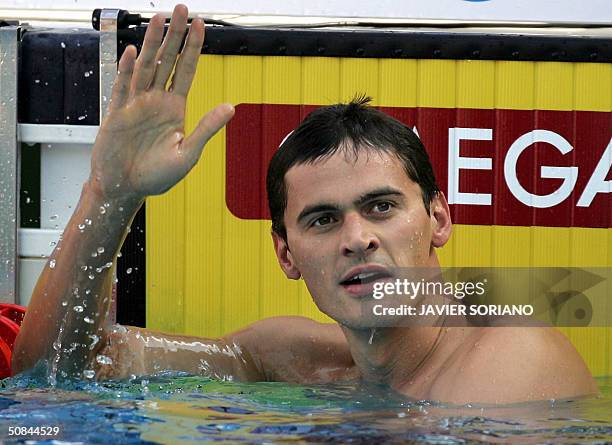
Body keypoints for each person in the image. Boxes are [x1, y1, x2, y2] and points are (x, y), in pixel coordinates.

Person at [12, 4, 597, 404]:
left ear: (439, 219)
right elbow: (59, 373)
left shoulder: (512, 369)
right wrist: (109, 196)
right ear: (286, 253)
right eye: (322, 219)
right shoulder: (287, 358)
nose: (357, 237)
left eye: (382, 207)